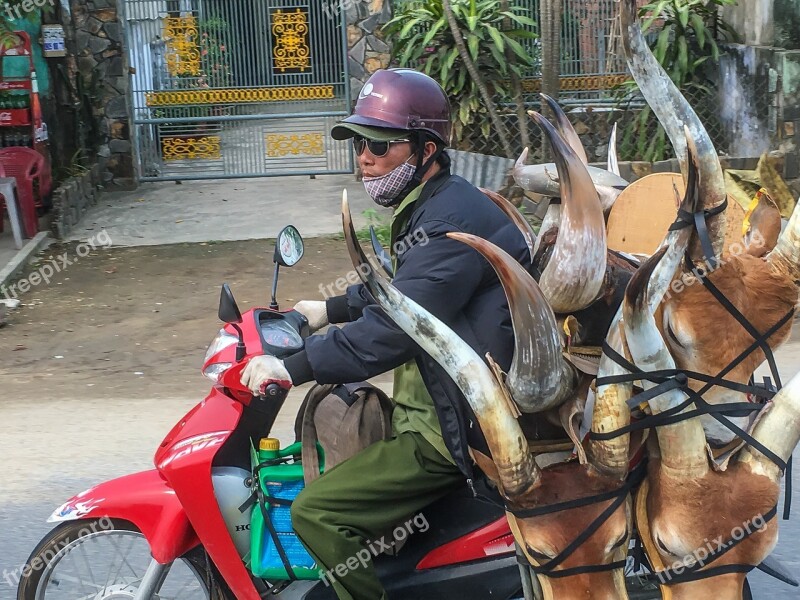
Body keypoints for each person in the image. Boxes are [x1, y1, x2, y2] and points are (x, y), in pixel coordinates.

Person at [240, 68, 531, 600]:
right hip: (437, 402)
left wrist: (293, 367)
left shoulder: (450, 222)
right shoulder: (438, 204)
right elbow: (406, 290)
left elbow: (396, 329)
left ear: (425, 148)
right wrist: (327, 308)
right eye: (358, 143)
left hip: (450, 431)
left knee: (316, 511)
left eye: (379, 144)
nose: (364, 158)